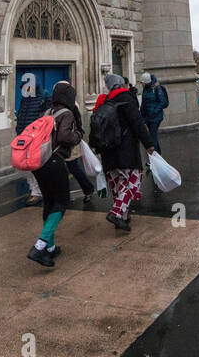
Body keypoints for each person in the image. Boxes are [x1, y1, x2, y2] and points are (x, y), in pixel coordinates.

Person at [26, 81, 84, 268]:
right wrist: (78, 135)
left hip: (39, 163)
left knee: (49, 203)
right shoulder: (66, 114)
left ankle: (50, 248)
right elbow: (65, 137)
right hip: (54, 162)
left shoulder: (47, 112)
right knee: (61, 202)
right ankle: (40, 245)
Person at [90, 73, 155, 232]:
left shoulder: (103, 101)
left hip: (107, 152)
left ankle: (123, 218)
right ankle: (116, 213)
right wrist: (148, 144)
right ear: (121, 84)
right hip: (126, 150)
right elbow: (138, 123)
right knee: (133, 183)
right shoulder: (126, 98)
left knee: (118, 186)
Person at [14, 80, 52, 206]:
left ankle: (37, 192)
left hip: (35, 138)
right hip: (23, 137)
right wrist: (19, 130)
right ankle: (36, 189)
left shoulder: (44, 97)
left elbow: (46, 117)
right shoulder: (26, 99)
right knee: (24, 166)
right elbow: (21, 114)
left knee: (35, 165)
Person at [139, 71, 169, 154]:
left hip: (155, 117)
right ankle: (157, 154)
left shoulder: (156, 88)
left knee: (152, 136)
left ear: (146, 82)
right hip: (148, 117)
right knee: (152, 136)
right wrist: (142, 117)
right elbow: (144, 104)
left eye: (142, 83)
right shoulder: (145, 89)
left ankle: (155, 156)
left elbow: (162, 102)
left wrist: (154, 111)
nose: (141, 84)